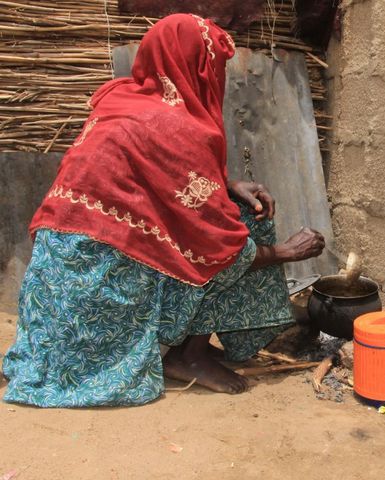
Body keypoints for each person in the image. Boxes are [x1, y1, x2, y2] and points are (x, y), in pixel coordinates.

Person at [1, 14, 325, 407]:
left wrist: (225, 183)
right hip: (98, 294)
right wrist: (286, 253)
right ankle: (188, 355)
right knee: (236, 228)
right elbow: (217, 246)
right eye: (213, 68)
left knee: (226, 208)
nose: (215, 78)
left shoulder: (123, 99)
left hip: (62, 289)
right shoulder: (177, 125)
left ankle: (186, 349)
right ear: (195, 66)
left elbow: (148, 178)